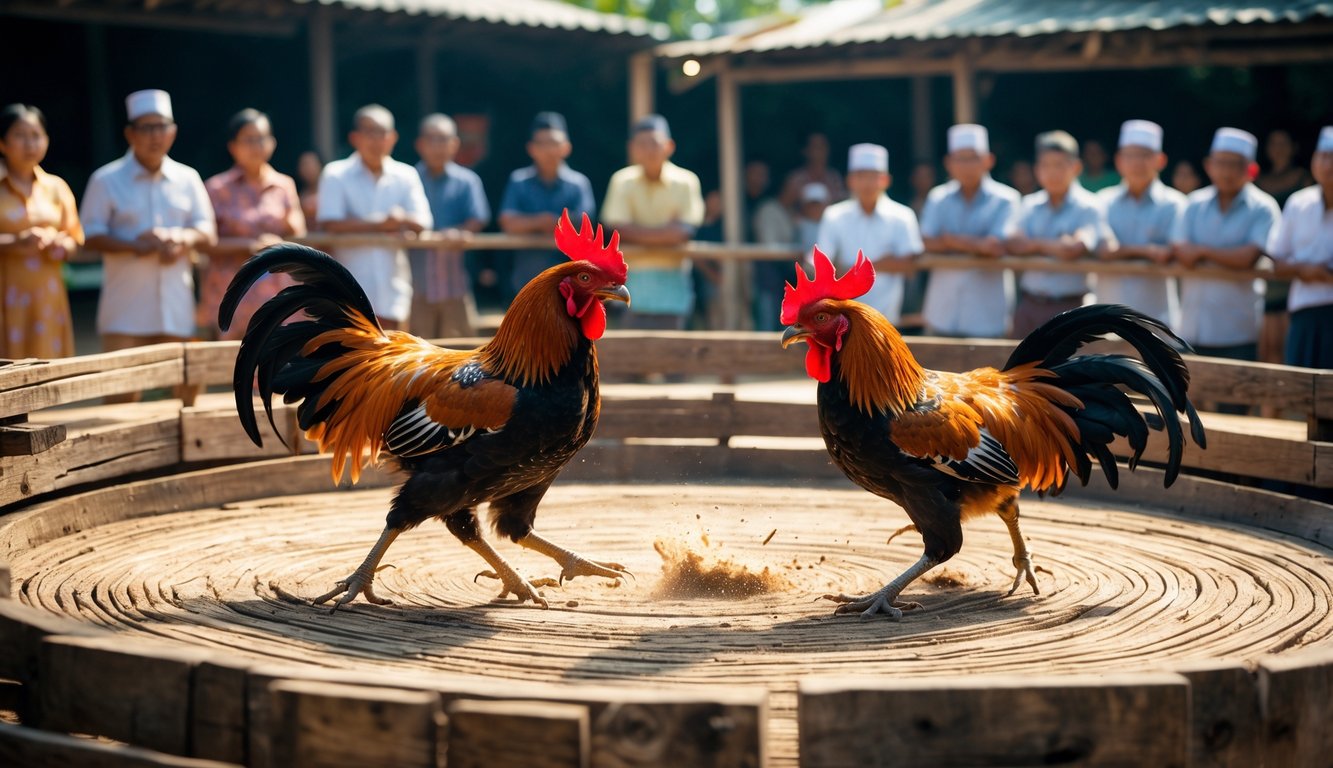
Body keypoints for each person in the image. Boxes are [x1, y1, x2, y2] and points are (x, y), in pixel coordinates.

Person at [80, 89, 216, 404]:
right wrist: (134, 245)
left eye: (161, 127)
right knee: (120, 397)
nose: (156, 135)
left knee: (188, 393)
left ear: (173, 131)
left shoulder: (188, 178)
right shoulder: (106, 180)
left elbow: (207, 231)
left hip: (175, 304)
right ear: (130, 133)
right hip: (125, 306)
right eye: (146, 127)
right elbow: (88, 235)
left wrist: (181, 239)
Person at [316, 104, 432, 332]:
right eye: (369, 132)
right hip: (348, 292)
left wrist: (391, 221)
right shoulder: (335, 173)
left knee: (394, 361)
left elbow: (423, 222)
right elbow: (330, 222)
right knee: (350, 361)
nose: (376, 140)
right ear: (355, 137)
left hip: (393, 289)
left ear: (393, 137)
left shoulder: (406, 174)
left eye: (382, 132)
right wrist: (386, 223)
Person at [1170, 127, 1280, 362]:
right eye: (1221, 163)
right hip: (1191, 328)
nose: (1227, 171)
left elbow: (1247, 258)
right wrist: (1221, 255)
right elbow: (1180, 251)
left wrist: (1201, 251)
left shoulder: (1263, 207)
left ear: (1250, 169)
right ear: (1209, 165)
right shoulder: (1193, 203)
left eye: (1235, 164)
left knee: (1237, 397)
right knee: (1188, 398)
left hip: (1238, 331)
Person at [198, 109, 306, 341]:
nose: (256, 146)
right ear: (233, 146)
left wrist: (279, 243)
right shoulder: (216, 188)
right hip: (231, 291)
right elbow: (205, 242)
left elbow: (299, 234)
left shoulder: (284, 185)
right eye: (248, 139)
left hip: (275, 292)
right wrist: (251, 245)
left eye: (261, 138)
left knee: (274, 364)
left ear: (272, 143)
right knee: (230, 366)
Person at [600, 114, 705, 330]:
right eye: (642, 144)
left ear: (669, 146)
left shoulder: (687, 181)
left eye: (654, 143)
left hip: (673, 283)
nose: (649, 150)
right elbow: (616, 228)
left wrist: (636, 233)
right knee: (632, 356)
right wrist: (666, 234)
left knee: (672, 353)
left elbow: (685, 232)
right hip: (631, 283)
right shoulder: (621, 181)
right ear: (632, 148)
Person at [918, 124, 1021, 338]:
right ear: (949, 163)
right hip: (942, 310)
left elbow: (996, 246)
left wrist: (948, 241)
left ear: (988, 160)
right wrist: (977, 245)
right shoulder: (938, 197)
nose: (966, 165)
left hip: (987, 313)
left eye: (972, 158)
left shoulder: (1006, 198)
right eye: (960, 158)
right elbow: (925, 241)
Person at [0, 104, 83, 359]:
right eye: (20, 135)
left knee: (46, 369)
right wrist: (16, 241)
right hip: (5, 293)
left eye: (36, 135)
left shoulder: (56, 187)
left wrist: (62, 244)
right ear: (2, 143)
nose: (30, 143)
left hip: (47, 297)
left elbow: (76, 239)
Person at [1007, 130, 1107, 338]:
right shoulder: (1029, 204)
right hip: (1029, 305)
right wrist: (1055, 245)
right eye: (1046, 165)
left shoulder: (1090, 205)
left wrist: (1033, 245)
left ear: (1076, 167)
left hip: (1072, 306)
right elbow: (1013, 243)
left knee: (1070, 371)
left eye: (1059, 165)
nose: (1052, 172)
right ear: (1037, 169)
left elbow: (1075, 248)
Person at [816, 143, 923, 323]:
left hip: (887, 319)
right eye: (861, 176)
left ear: (885, 180)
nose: (867, 182)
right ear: (850, 180)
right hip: (843, 319)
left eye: (873, 176)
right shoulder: (834, 215)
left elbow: (909, 265)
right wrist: (885, 263)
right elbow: (821, 264)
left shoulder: (903, 216)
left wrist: (850, 271)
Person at [1095, 120, 1187, 329]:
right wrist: (1149, 251)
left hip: (1157, 316)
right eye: (1130, 155)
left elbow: (1170, 253)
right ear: (1119, 160)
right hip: (1105, 317)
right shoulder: (1102, 200)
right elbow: (1104, 250)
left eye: (1145, 155)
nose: (1137, 162)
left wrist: (1122, 250)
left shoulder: (1175, 203)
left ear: (1160, 160)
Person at [499, 111, 595, 297]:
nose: (549, 149)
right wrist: (549, 222)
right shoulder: (518, 181)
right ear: (531, 148)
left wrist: (531, 224)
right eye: (542, 144)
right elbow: (507, 222)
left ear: (566, 147)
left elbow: (585, 226)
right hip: (526, 283)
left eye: (554, 143)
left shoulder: (578, 183)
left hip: (571, 285)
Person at [410, 113, 488, 338]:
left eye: (443, 139)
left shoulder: (467, 180)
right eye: (432, 139)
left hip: (455, 283)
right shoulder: (407, 178)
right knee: (417, 354)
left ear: (455, 144)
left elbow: (478, 218)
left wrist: (460, 232)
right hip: (416, 284)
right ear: (420, 144)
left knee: (459, 352)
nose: (438, 146)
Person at [1267, 126, 1333, 369]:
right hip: (1303, 313)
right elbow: (1277, 261)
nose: (1327, 164)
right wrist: (1304, 270)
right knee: (1300, 392)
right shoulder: (1298, 203)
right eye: (1323, 156)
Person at [747, 161, 795, 330]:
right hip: (767, 279)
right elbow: (770, 247)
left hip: (783, 282)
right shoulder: (768, 209)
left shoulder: (788, 211)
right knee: (766, 328)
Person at [781, 132, 845, 210]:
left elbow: (841, 205)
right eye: (816, 147)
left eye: (823, 146)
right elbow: (782, 207)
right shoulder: (796, 179)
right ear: (805, 151)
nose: (821, 151)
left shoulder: (834, 178)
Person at [1257, 129, 1314, 207]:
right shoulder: (1256, 180)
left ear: (1294, 147)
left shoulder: (1304, 178)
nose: (1278, 149)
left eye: (1283, 144)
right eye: (1273, 144)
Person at [296, 150, 322, 226]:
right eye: (304, 165)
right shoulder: (295, 194)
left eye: (311, 164)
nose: (308, 169)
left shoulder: (331, 192)